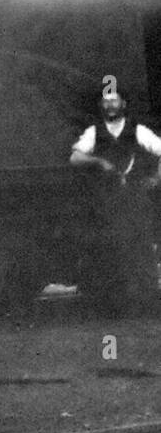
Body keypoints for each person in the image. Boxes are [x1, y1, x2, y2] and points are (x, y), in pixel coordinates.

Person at [69, 87, 161, 315]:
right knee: (109, 251)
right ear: (102, 106)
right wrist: (99, 163)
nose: (110, 105)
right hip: (106, 204)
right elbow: (75, 157)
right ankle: (114, 306)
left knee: (140, 251)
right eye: (106, 102)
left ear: (123, 104)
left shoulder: (138, 131)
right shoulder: (94, 132)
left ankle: (146, 304)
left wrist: (156, 178)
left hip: (135, 201)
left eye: (115, 101)